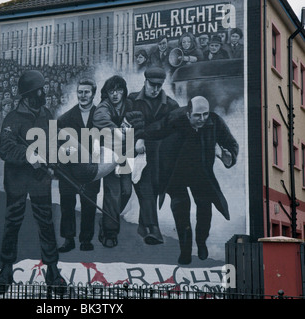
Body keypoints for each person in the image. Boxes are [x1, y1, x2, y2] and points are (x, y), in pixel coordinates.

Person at [144, 96, 239, 265]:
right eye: (197, 115)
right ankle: (185, 250)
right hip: (176, 172)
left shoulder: (214, 121)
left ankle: (201, 242)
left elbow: (231, 143)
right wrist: (136, 135)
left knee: (204, 210)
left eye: (205, 114)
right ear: (188, 114)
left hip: (201, 172)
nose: (202, 119)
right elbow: (154, 130)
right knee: (181, 210)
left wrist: (228, 155)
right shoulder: (174, 119)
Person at [0, 70, 67, 291]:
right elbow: (5, 148)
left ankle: (53, 270)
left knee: (46, 223)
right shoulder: (12, 118)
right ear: (29, 94)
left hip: (39, 179)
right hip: (17, 179)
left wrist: (54, 163)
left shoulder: (46, 114)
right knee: (12, 222)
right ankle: (6, 268)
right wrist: (29, 155)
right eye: (40, 89)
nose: (43, 92)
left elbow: (54, 143)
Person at [128, 67, 179, 245]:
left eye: (159, 85)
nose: (155, 89)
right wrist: (138, 139)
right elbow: (125, 124)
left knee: (155, 189)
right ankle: (153, 230)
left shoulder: (171, 105)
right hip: (137, 153)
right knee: (145, 189)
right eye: (152, 85)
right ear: (145, 81)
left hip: (160, 156)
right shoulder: (132, 100)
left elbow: (176, 131)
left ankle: (143, 225)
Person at [57, 78, 101, 252]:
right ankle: (68, 239)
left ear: (93, 93)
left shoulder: (101, 117)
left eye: (86, 92)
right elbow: (57, 146)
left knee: (89, 205)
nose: (83, 96)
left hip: (91, 169)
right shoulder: (64, 119)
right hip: (68, 170)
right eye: (80, 92)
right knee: (67, 204)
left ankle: (86, 240)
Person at [92, 75, 134, 248]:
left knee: (126, 192)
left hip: (127, 154)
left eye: (119, 90)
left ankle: (108, 219)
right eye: (112, 91)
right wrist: (120, 131)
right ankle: (110, 232)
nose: (115, 94)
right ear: (107, 93)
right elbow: (100, 119)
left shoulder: (129, 104)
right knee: (112, 193)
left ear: (124, 91)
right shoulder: (103, 107)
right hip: (109, 154)